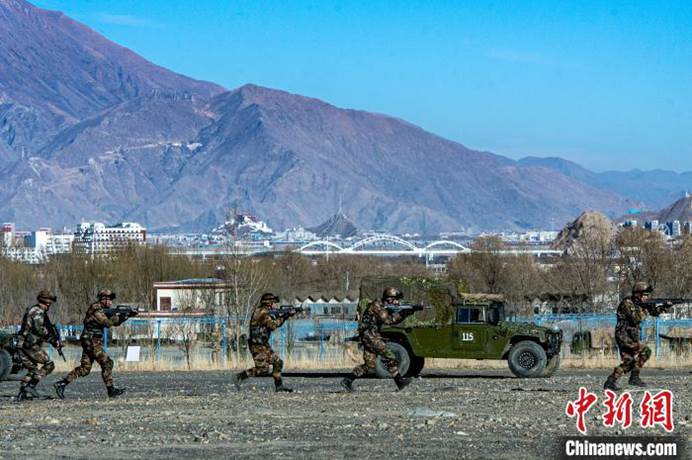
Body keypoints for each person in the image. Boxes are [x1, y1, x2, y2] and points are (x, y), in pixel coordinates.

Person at [54, 289, 129, 399]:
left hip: (90, 340)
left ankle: (62, 383)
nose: (111, 302)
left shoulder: (102, 310)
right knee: (107, 363)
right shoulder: (96, 309)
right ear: (104, 299)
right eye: (110, 300)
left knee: (85, 369)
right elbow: (107, 323)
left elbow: (114, 322)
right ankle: (110, 389)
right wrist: (120, 316)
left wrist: (125, 316)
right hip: (91, 340)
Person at [341, 287, 415, 392]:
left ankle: (347, 380)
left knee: (370, 365)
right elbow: (389, 320)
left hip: (370, 335)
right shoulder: (377, 306)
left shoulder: (381, 306)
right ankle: (399, 382)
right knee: (389, 355)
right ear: (389, 298)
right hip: (370, 336)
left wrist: (406, 311)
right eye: (395, 299)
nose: (397, 302)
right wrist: (404, 313)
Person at [230, 293, 293, 392]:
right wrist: (285, 316)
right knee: (262, 370)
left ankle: (279, 387)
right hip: (257, 345)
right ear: (268, 303)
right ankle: (239, 377)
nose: (274, 305)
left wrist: (284, 315)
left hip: (263, 344)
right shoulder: (262, 312)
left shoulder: (264, 311)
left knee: (278, 362)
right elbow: (273, 325)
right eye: (273, 303)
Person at [603, 282, 657, 391]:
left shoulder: (639, 305)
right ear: (638, 294)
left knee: (630, 362)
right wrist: (646, 308)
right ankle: (634, 377)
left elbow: (654, 313)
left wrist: (664, 307)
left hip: (631, 336)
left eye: (647, 295)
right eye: (644, 295)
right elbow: (636, 319)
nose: (646, 297)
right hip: (624, 336)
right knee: (645, 351)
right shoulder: (627, 303)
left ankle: (610, 381)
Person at [16, 290, 59, 400]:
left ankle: (22, 393)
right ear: (46, 302)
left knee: (33, 369)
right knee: (49, 364)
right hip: (28, 344)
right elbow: (39, 329)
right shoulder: (37, 311)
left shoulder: (35, 310)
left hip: (22, 344)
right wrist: (51, 338)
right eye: (49, 302)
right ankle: (31, 386)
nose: (50, 305)